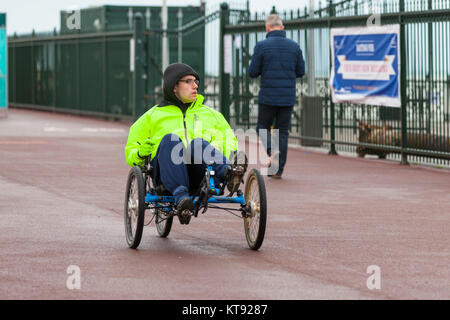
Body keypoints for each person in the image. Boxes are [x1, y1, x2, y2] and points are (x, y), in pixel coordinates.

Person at [125, 63, 246, 223]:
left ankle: (228, 174)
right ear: (174, 86)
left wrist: (223, 154)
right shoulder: (151, 116)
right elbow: (131, 152)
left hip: (203, 176)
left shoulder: (212, 115)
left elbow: (229, 140)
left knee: (197, 143)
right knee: (170, 140)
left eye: (196, 81)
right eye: (188, 81)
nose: (195, 85)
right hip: (167, 176)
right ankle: (182, 198)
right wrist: (140, 153)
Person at [249, 14, 305, 179]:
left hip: (268, 96)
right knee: (283, 132)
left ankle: (272, 151)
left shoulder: (261, 46)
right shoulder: (294, 47)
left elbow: (252, 73)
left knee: (262, 128)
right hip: (287, 97)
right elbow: (301, 72)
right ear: (282, 28)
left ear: (267, 28)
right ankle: (278, 170)